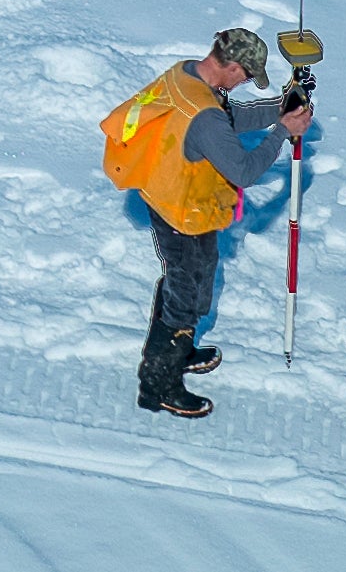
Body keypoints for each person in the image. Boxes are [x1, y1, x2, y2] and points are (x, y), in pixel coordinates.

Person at [100, 28, 298, 419]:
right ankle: (158, 385)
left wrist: (279, 110)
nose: (244, 84)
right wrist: (283, 133)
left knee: (188, 281)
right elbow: (243, 171)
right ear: (232, 66)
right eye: (245, 76)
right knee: (186, 297)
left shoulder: (184, 75)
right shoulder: (203, 114)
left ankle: (180, 345)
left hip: (171, 198)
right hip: (184, 214)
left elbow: (229, 118)